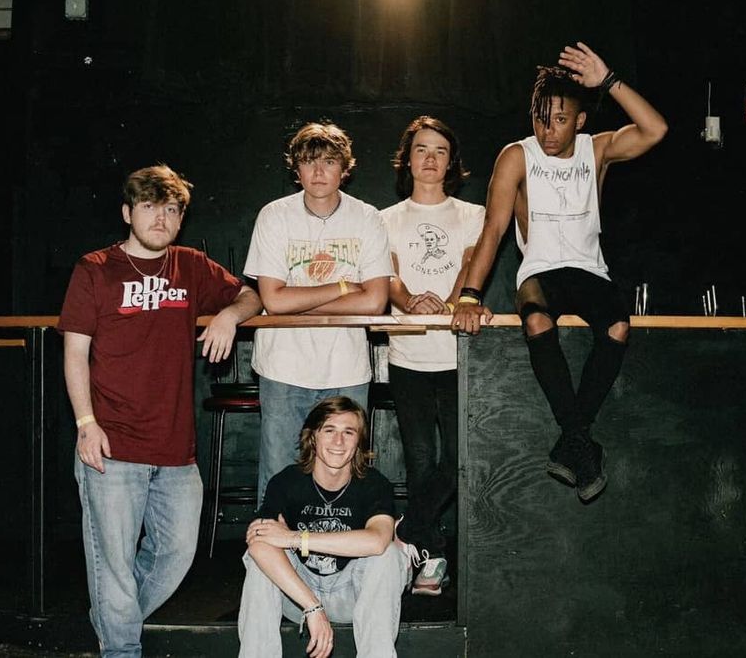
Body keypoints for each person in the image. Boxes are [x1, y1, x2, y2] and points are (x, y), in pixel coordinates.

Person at [58, 164, 262, 657]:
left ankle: (113, 620)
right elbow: (74, 353)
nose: (161, 218)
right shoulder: (95, 269)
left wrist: (229, 316)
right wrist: (86, 424)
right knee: (112, 565)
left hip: (175, 449)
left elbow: (251, 295)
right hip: (111, 444)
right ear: (127, 213)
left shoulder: (190, 266)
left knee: (175, 554)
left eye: (171, 209)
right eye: (149, 206)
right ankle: (120, 648)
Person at [451, 42, 668, 503]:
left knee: (618, 325)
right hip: (541, 271)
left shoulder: (598, 149)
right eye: (540, 119)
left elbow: (656, 129)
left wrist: (608, 82)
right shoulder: (517, 155)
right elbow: (493, 229)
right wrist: (469, 294)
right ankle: (580, 441)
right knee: (535, 319)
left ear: (581, 120)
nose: (548, 131)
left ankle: (574, 438)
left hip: (589, 270)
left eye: (560, 120)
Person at [244, 121, 393, 506]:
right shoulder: (274, 215)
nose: (319, 171)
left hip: (345, 367)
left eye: (329, 161)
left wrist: (297, 297)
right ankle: (269, 547)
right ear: (296, 169)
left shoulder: (367, 217)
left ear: (345, 168)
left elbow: (374, 301)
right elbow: (273, 301)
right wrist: (343, 287)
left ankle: (344, 546)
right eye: (309, 162)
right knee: (279, 477)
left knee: (345, 477)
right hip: (283, 366)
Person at [378, 116, 484, 595]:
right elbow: (389, 276)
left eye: (440, 150)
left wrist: (451, 301)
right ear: (408, 159)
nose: (430, 158)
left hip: (460, 356)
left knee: (460, 457)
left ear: (450, 161)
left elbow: (470, 266)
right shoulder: (385, 218)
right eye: (421, 149)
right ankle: (433, 557)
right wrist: (410, 302)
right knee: (420, 461)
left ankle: (409, 526)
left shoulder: (472, 214)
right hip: (409, 358)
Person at [237, 396, 409, 658]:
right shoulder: (287, 481)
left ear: (359, 441)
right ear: (313, 437)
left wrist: (295, 538)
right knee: (260, 559)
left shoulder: (374, 484)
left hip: (353, 595)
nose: (338, 442)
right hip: (297, 596)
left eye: (348, 432)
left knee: (388, 555)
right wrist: (312, 607)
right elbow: (258, 543)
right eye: (329, 430)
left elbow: (377, 540)